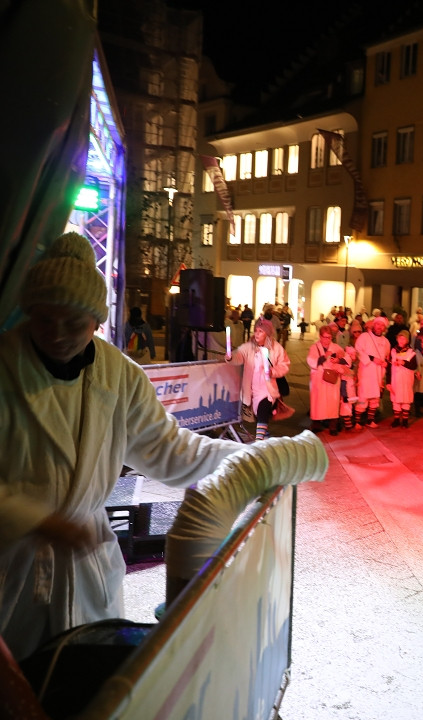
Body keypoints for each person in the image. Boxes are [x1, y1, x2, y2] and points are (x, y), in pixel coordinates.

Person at [0, 233, 244, 660]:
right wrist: (36, 519)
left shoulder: (119, 374)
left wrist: (251, 459)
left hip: (86, 574)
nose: (58, 334)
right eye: (45, 319)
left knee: (85, 683)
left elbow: (171, 451)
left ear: (96, 321)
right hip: (12, 573)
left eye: (74, 323)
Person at [228, 316, 291, 441]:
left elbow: (284, 365)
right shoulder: (249, 346)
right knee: (259, 414)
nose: (257, 333)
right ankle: (265, 434)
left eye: (260, 331)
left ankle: (259, 442)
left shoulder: (276, 348)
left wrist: (273, 371)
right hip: (253, 389)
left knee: (263, 409)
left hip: (267, 389)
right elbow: (239, 356)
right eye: (256, 330)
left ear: (267, 333)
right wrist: (230, 357)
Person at [306, 324, 347, 435]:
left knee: (333, 402)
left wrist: (338, 360)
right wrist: (324, 356)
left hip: (332, 379)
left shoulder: (336, 347)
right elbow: (311, 361)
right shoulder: (314, 347)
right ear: (320, 336)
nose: (327, 340)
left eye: (329, 337)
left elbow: (347, 360)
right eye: (324, 337)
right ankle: (316, 424)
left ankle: (333, 426)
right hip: (318, 379)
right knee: (318, 402)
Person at [355, 316, 390, 428]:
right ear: (374, 325)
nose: (379, 327)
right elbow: (358, 350)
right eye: (378, 324)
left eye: (382, 325)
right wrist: (371, 358)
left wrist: (385, 363)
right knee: (363, 395)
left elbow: (387, 356)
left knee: (375, 397)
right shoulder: (364, 337)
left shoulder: (386, 341)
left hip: (378, 373)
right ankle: (357, 421)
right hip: (366, 371)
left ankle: (370, 420)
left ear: (384, 328)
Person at [389, 330, 418, 428]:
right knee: (396, 400)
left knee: (406, 399)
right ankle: (396, 419)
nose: (401, 340)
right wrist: (388, 382)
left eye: (404, 338)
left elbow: (414, 366)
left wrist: (404, 363)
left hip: (406, 380)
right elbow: (389, 367)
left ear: (407, 340)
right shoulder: (393, 351)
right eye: (400, 338)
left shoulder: (411, 352)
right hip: (395, 380)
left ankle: (405, 420)